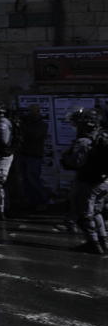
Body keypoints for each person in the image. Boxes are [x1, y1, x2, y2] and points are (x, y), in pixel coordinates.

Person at [62, 108, 108, 255]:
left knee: (84, 213)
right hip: (103, 180)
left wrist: (65, 158)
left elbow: (76, 162)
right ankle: (103, 241)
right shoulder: (101, 136)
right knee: (97, 211)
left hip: (89, 181)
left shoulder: (84, 141)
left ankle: (93, 243)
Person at [16, 105, 49, 211]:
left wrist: (24, 126)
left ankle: (42, 200)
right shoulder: (26, 123)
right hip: (25, 154)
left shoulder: (42, 124)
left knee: (33, 179)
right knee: (26, 180)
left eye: (33, 112)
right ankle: (31, 200)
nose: (30, 114)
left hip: (34, 155)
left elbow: (35, 135)